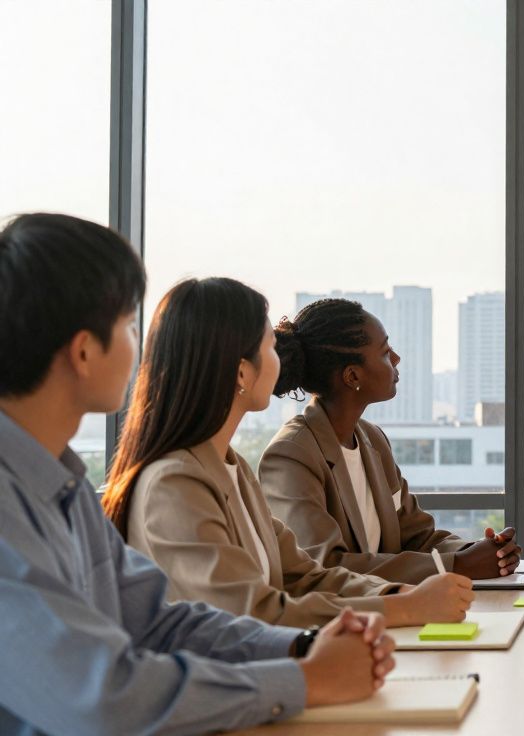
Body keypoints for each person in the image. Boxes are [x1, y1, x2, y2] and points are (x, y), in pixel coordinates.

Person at [0, 213, 394, 733]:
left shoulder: (62, 488)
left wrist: (303, 647)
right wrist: (306, 680)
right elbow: (104, 698)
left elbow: (159, 621)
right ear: (83, 350)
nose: (139, 346)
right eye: (126, 325)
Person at [102, 277, 474, 628]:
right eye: (269, 347)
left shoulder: (232, 469)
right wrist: (403, 607)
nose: (281, 360)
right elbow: (252, 613)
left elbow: (305, 577)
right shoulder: (175, 483)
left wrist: (402, 594)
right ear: (242, 374)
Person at [259, 298, 520, 584]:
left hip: (398, 613)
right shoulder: (291, 455)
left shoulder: (373, 440)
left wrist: (479, 552)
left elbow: (418, 536)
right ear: (352, 375)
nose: (396, 358)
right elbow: (325, 568)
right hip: (340, 622)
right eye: (384, 352)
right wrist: (455, 565)